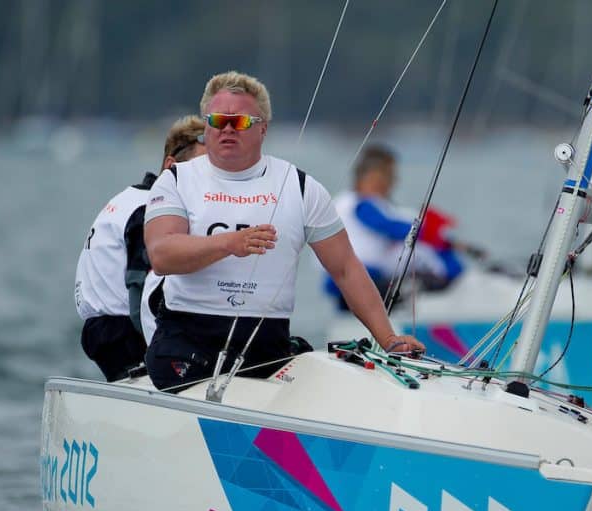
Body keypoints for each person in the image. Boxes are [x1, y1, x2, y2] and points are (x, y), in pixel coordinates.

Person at [143, 70, 423, 392]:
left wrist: (387, 339)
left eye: (242, 122)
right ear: (206, 126)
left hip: (266, 346)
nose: (229, 129)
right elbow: (162, 254)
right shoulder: (176, 179)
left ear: (263, 129)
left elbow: (345, 269)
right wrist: (229, 243)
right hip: (187, 342)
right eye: (219, 120)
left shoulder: (301, 187)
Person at [74, 115, 207, 381]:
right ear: (171, 165)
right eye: (201, 170)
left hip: (102, 329)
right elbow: (140, 297)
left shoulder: (130, 197)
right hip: (121, 331)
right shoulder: (148, 210)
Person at [324, 144, 464, 308]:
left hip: (353, 276)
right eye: (389, 177)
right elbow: (389, 226)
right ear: (372, 177)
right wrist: (435, 236)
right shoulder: (359, 205)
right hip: (360, 276)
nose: (393, 183)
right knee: (438, 263)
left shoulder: (350, 201)